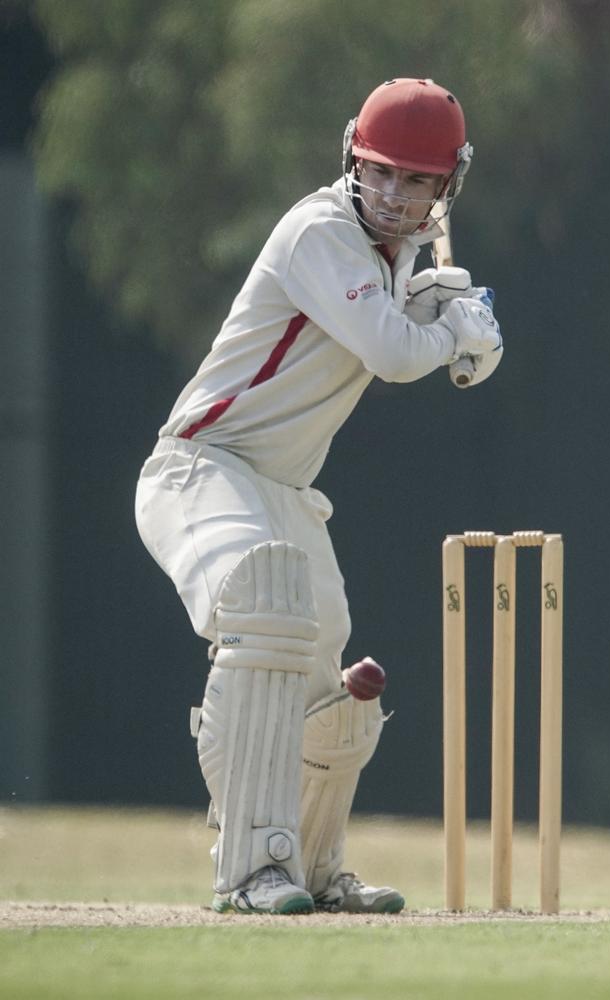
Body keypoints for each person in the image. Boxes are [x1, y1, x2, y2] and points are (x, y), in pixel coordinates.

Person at [135, 77, 503, 916]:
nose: (395, 194)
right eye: (381, 172)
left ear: (447, 186)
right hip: (200, 467)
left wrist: (442, 310)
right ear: (351, 157)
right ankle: (251, 870)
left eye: (418, 181)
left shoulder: (397, 256)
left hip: (284, 491)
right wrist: (458, 330)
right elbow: (391, 350)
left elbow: (401, 322)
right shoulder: (319, 231)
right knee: (264, 611)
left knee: (325, 674)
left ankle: (311, 867)